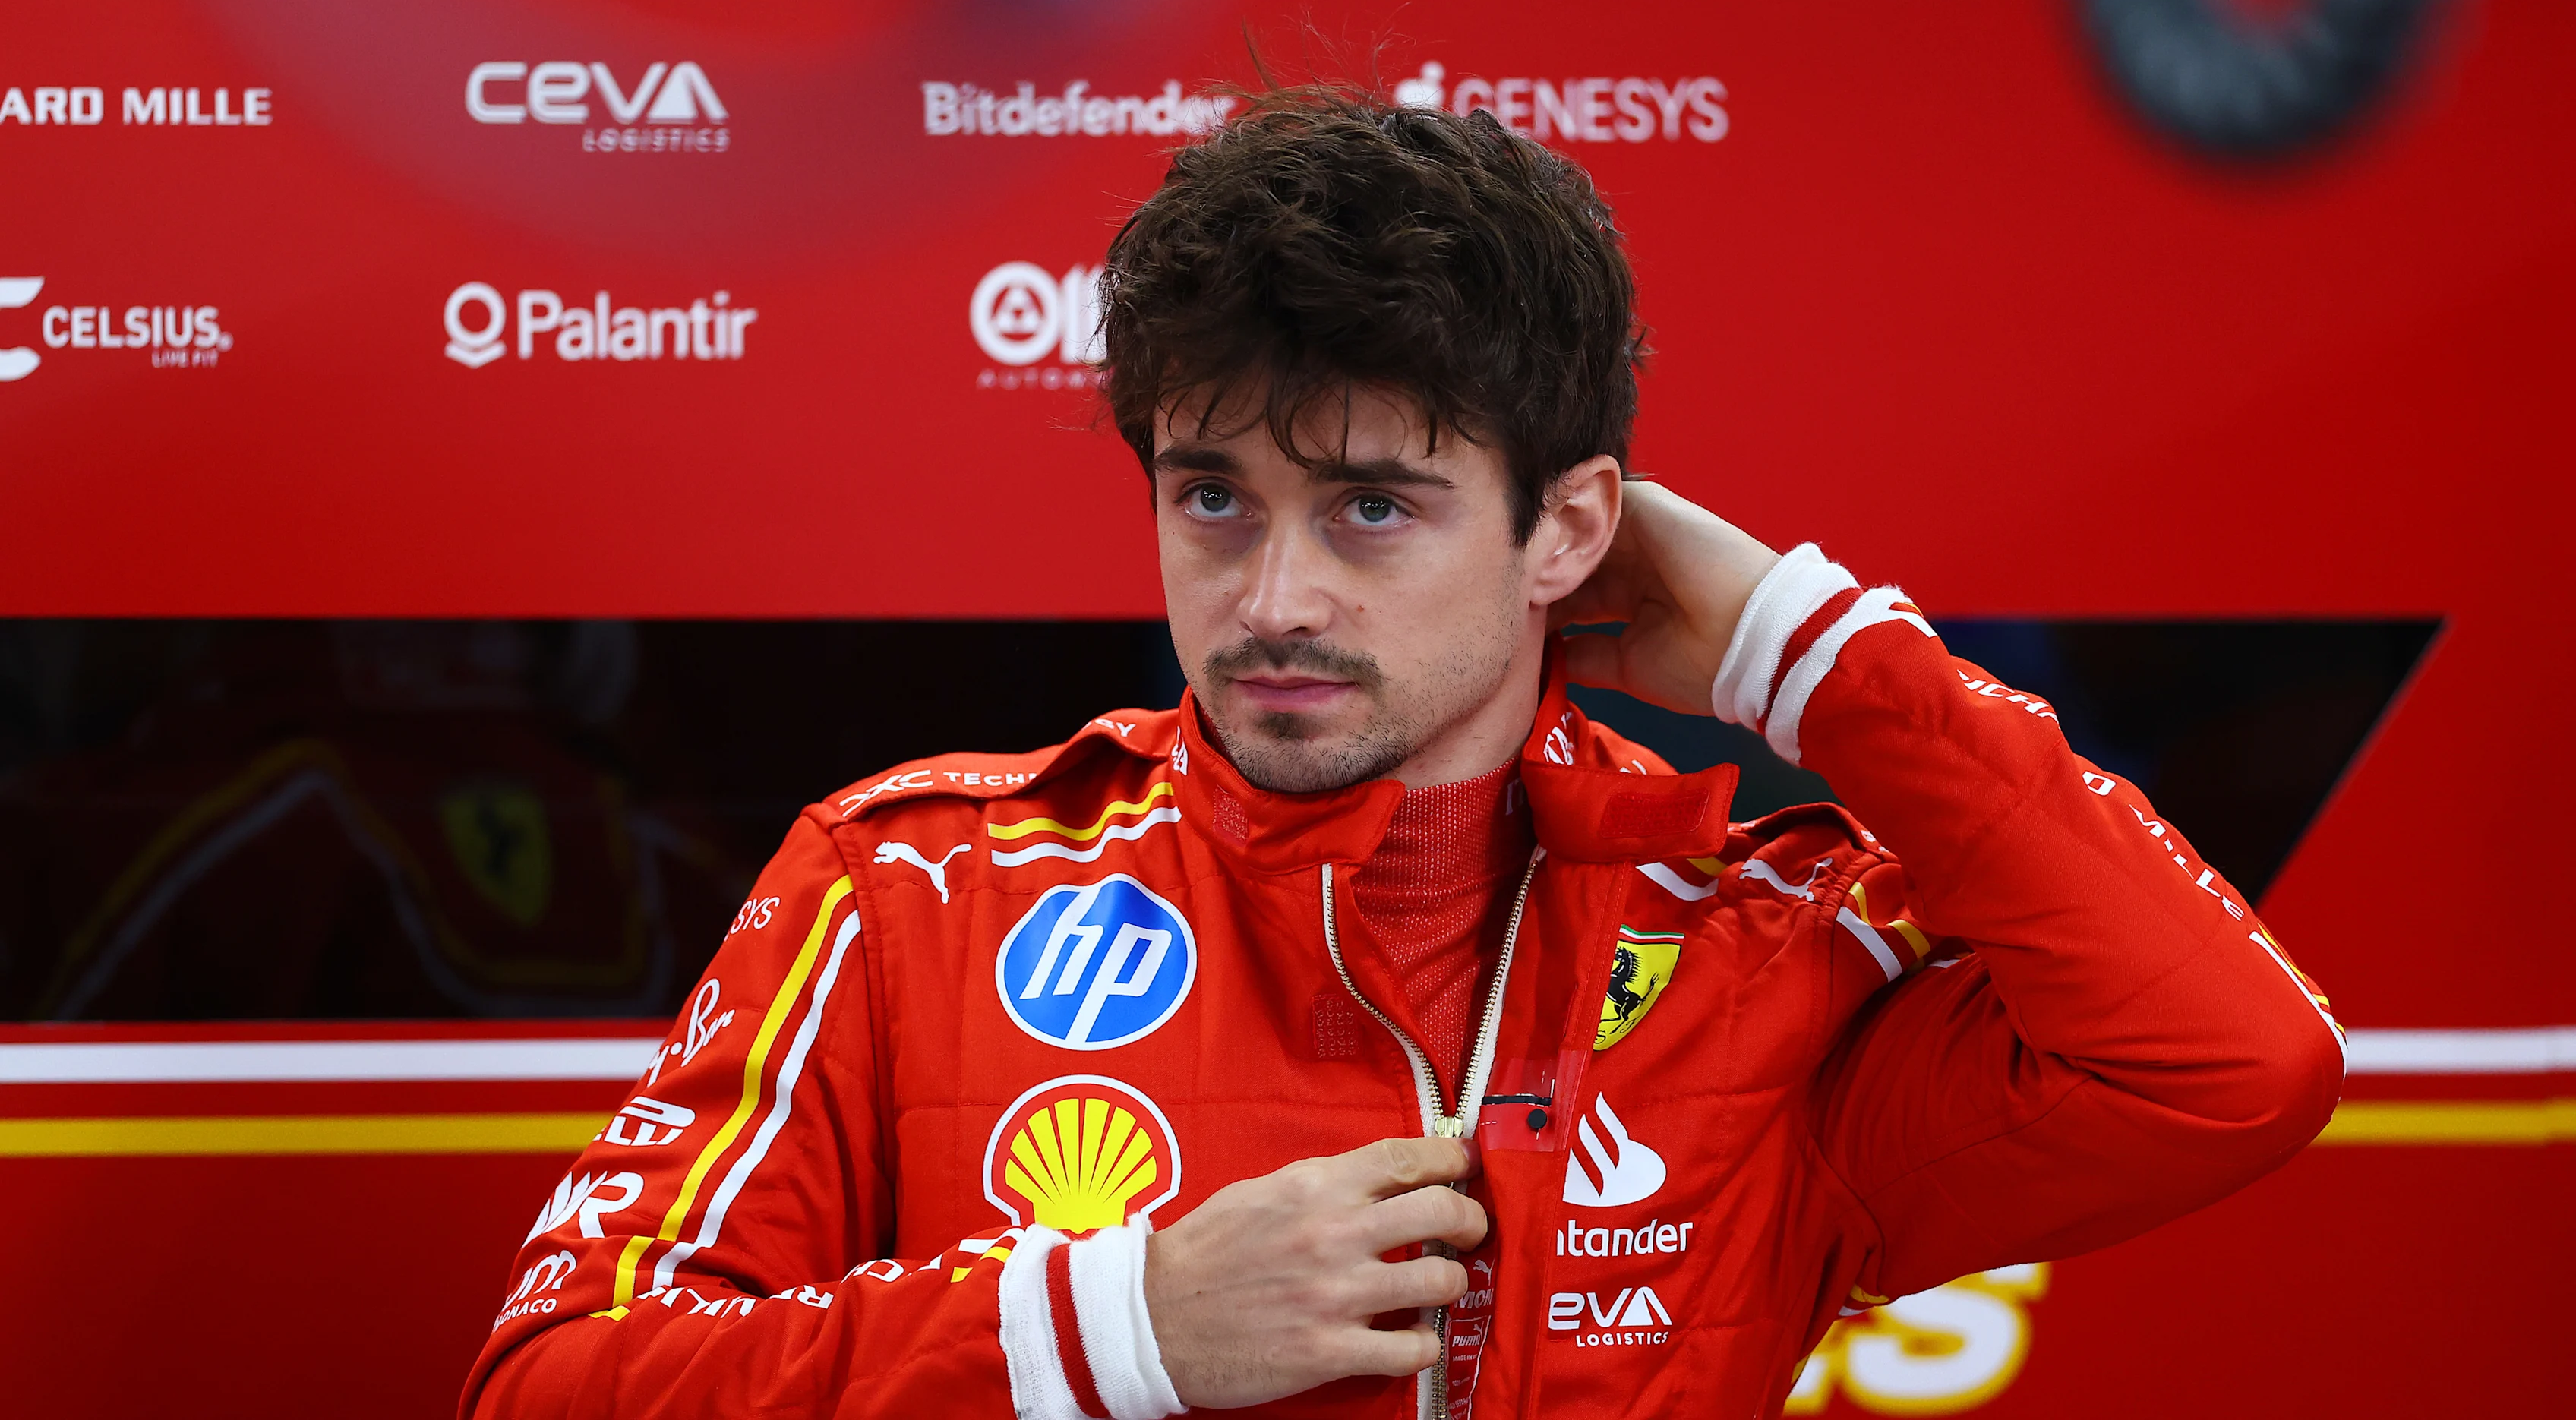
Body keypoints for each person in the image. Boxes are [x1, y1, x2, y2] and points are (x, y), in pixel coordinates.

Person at [461, 85, 2343, 1420]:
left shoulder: (1763, 965)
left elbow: (2226, 1065)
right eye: (1212, 498)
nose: (1269, 595)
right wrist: (1117, 1330)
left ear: (1565, 526)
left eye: (1372, 509)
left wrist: (1801, 653)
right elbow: (554, 1390)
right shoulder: (914, 885)